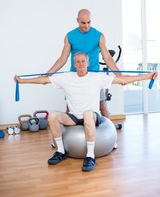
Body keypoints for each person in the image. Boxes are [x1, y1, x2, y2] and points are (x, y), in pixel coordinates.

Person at [14, 53, 158, 172]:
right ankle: (61, 152)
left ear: (88, 63)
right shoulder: (66, 77)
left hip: (93, 116)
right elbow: (43, 80)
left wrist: (148, 76)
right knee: (52, 115)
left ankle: (90, 156)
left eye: (83, 61)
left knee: (88, 114)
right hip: (74, 117)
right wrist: (22, 81)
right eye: (77, 61)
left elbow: (123, 80)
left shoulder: (97, 77)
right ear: (74, 64)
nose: (81, 64)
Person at [47, 9, 122, 120]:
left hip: (94, 77)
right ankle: (68, 135)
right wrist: (47, 74)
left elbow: (107, 57)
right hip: (75, 76)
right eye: (83, 23)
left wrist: (119, 75)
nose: (87, 25)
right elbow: (63, 59)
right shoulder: (70, 36)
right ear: (77, 20)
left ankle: (111, 134)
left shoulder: (99, 35)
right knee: (69, 108)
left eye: (89, 22)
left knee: (102, 106)